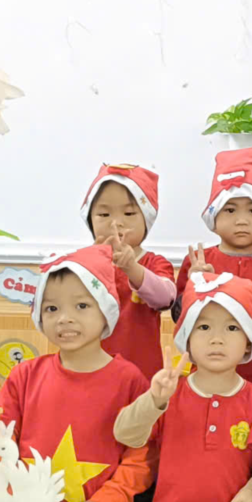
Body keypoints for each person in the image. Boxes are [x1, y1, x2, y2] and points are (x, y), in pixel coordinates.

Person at [0, 243, 152, 502]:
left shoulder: (130, 381)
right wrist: (14, 496)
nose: (65, 319)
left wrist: (111, 497)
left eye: (81, 305)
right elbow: (1, 442)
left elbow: (142, 455)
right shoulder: (24, 376)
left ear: (105, 312)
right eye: (52, 309)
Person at [115, 272, 252, 502]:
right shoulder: (169, 393)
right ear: (186, 338)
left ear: (249, 342)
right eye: (204, 327)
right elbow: (125, 434)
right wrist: (154, 400)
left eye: (232, 328)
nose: (217, 339)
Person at [178, 147, 252, 386]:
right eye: (230, 210)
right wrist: (193, 287)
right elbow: (179, 317)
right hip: (207, 377)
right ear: (213, 217)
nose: (242, 220)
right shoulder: (199, 261)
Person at [80, 163, 175, 380]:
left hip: (142, 373)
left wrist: (132, 268)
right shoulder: (79, 264)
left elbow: (165, 299)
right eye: (104, 214)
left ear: (146, 220)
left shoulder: (155, 263)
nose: (116, 222)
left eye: (129, 213)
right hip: (90, 372)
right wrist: (92, 262)